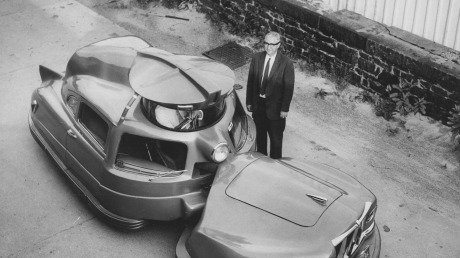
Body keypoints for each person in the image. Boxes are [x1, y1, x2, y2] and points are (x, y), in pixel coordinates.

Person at [246, 31, 295, 159]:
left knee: (276, 141)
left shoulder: (286, 63)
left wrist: (285, 109)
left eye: (273, 44)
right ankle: (262, 164)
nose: (269, 47)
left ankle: (276, 166)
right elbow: (251, 81)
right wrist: (249, 102)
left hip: (276, 109)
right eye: (267, 43)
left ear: (278, 45)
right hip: (259, 106)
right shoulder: (257, 58)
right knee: (260, 138)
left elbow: (288, 88)